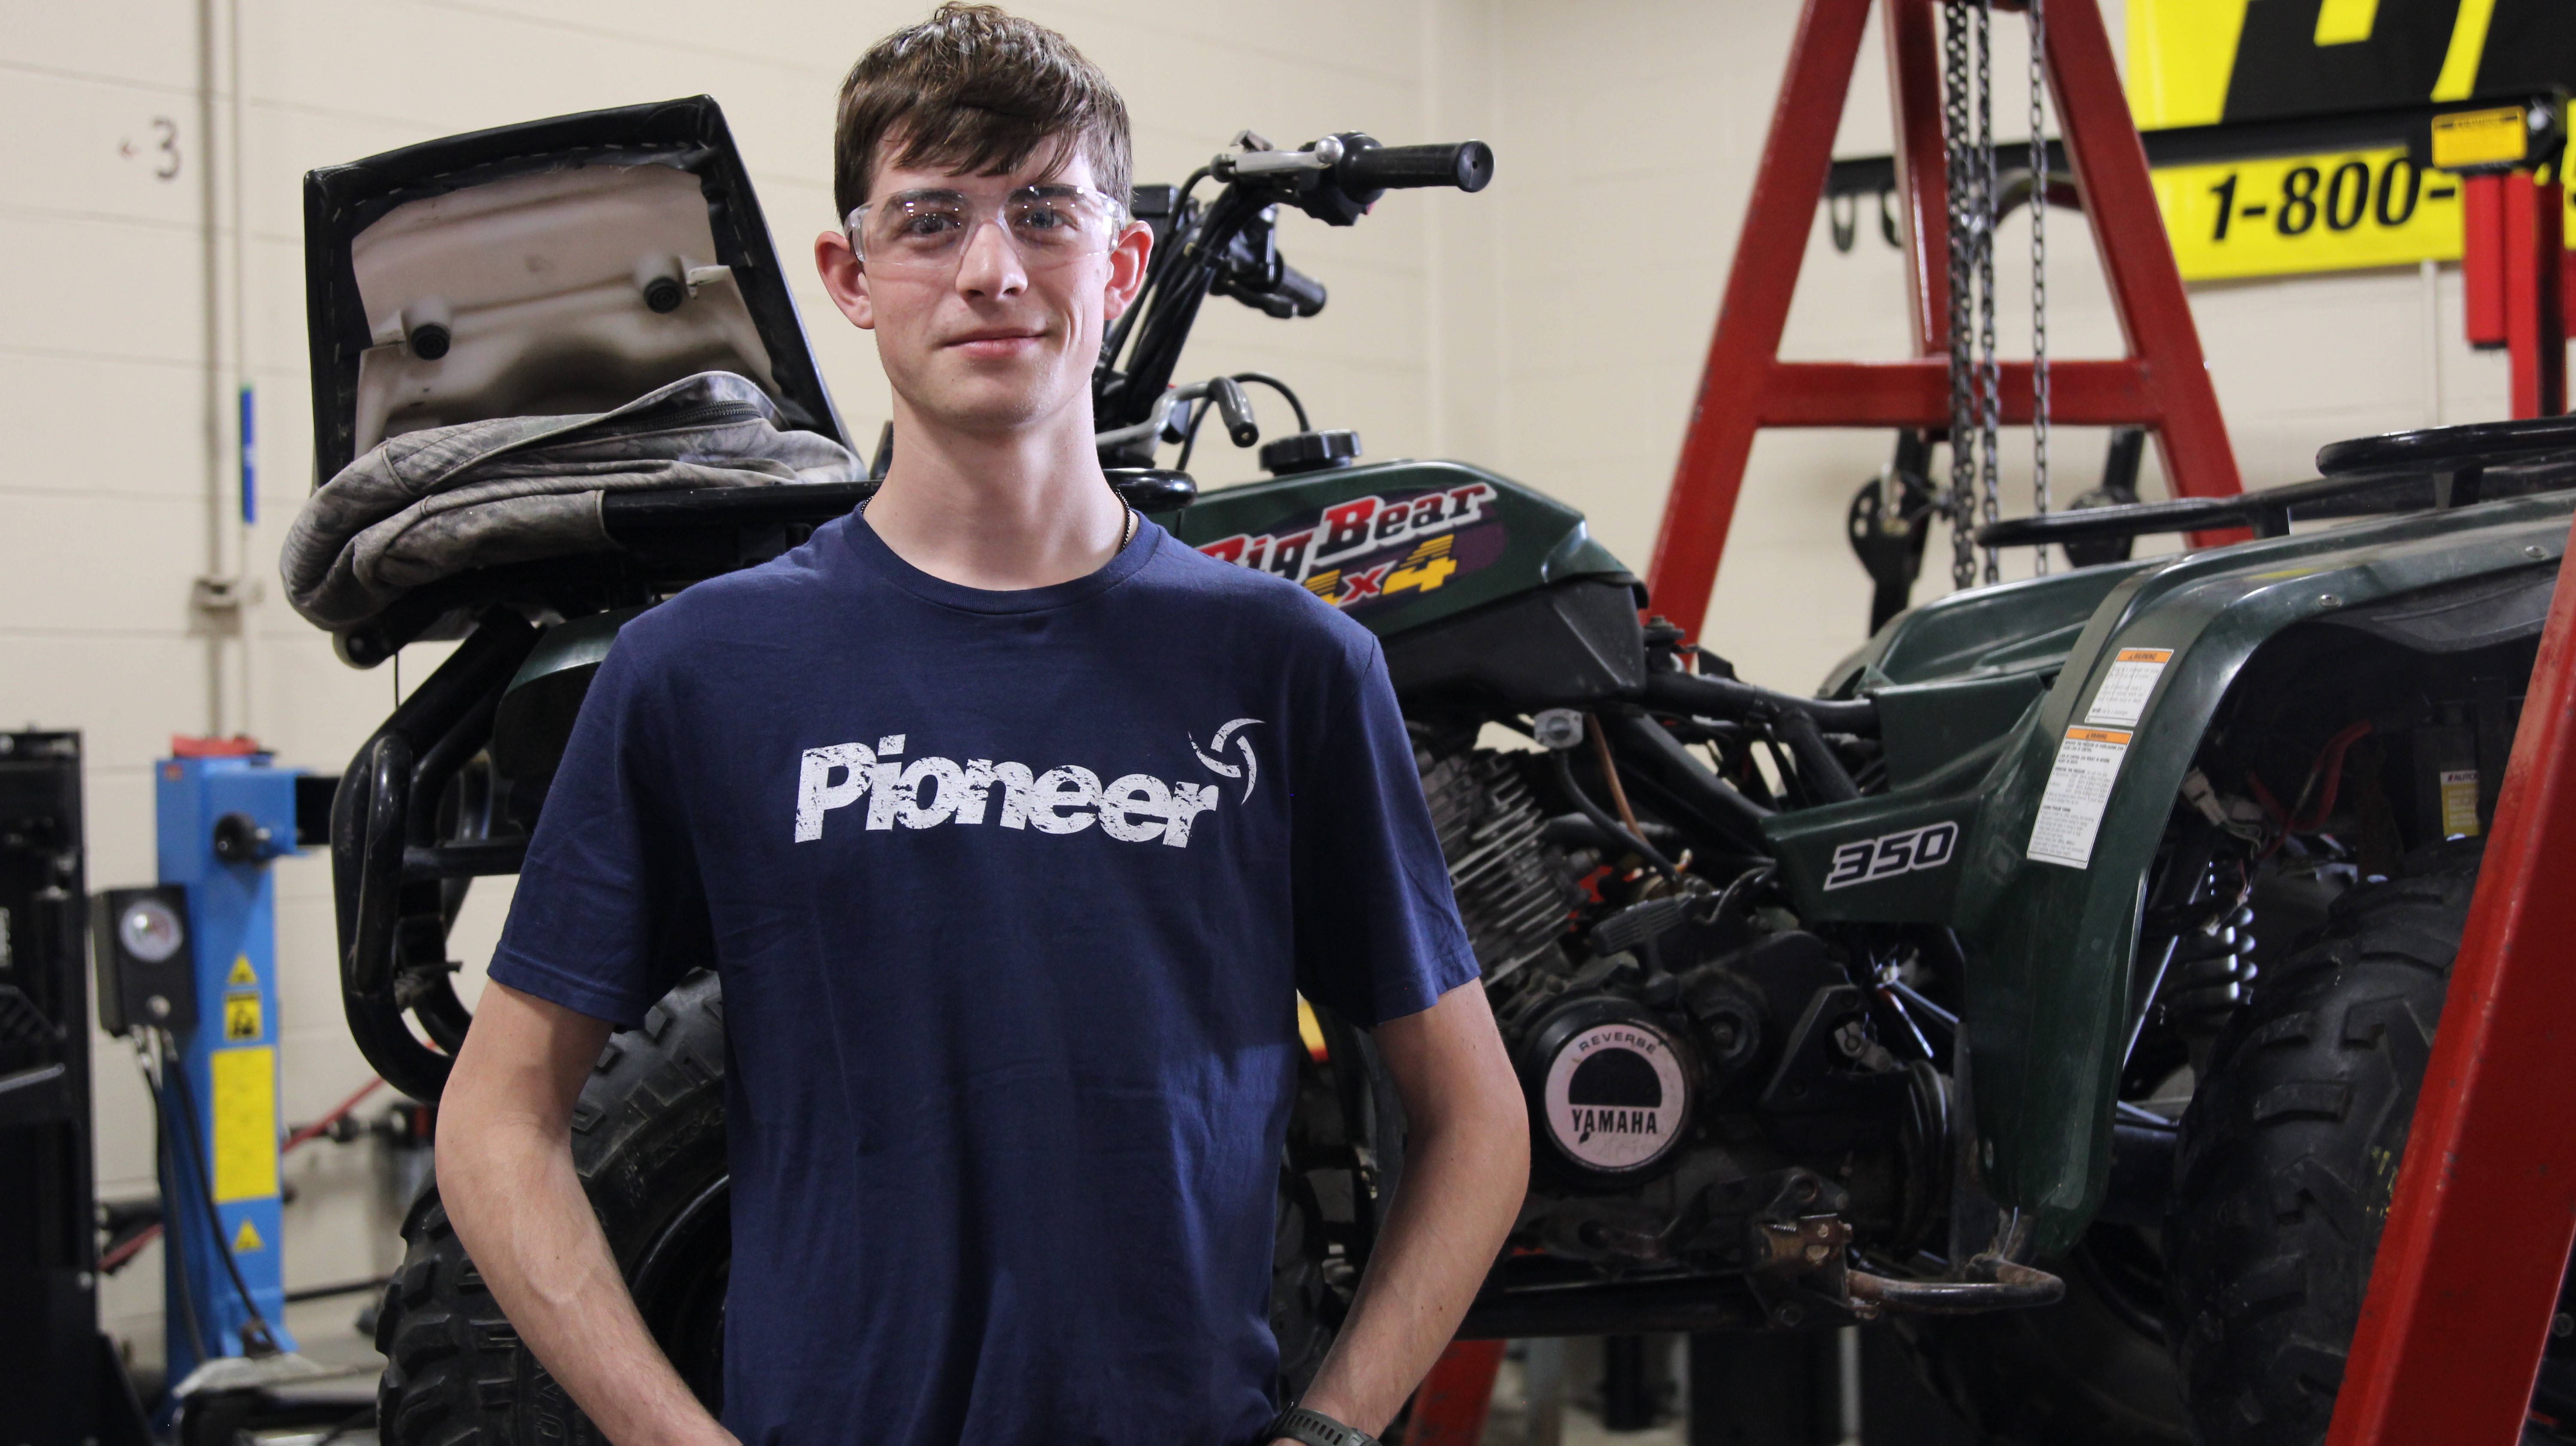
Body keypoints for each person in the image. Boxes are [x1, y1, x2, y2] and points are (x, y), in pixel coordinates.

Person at [432, 6, 1530, 1445]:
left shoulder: (1289, 668)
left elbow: (1478, 1123)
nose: (994, 273)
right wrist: (664, 1431)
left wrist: (1334, 1426)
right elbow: (496, 1118)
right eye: (933, 220)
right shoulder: (700, 669)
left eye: (1046, 215)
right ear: (852, 273)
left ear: (1123, 262)